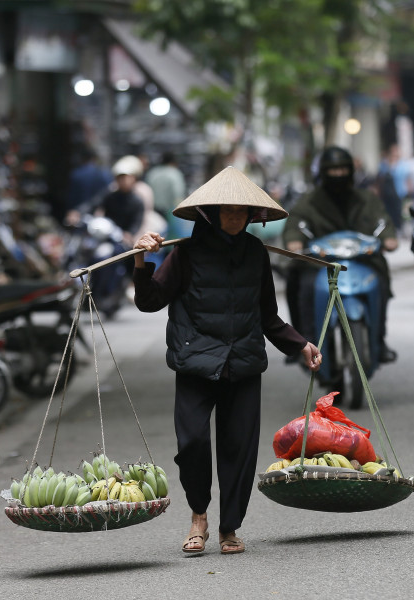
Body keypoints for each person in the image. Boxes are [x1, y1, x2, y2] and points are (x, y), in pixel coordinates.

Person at [132, 167, 322, 555]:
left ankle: (229, 528)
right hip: (195, 363)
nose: (234, 218)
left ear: (251, 217)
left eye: (241, 212)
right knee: (193, 443)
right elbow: (149, 300)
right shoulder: (184, 253)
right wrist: (139, 262)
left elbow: (268, 316)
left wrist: (300, 345)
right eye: (227, 211)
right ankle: (198, 514)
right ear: (212, 213)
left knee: (239, 448)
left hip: (244, 363)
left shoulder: (255, 253)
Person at [282, 146, 399, 363]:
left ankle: (379, 340)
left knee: (380, 282)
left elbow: (383, 222)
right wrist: (294, 242)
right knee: (300, 282)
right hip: (320, 264)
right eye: (333, 170)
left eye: (343, 169)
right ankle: (303, 342)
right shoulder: (308, 202)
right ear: (323, 172)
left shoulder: (367, 199)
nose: (338, 175)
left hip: (362, 261)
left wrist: (389, 238)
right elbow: (294, 225)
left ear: (351, 171)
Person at [66, 146, 111, 214]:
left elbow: (71, 198)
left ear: (82, 158)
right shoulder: (105, 174)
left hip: (78, 214)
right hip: (98, 214)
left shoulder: (76, 174)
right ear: (94, 158)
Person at [145, 151, 187, 220]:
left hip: (153, 211)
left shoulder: (152, 173)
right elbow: (178, 194)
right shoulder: (175, 173)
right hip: (170, 212)